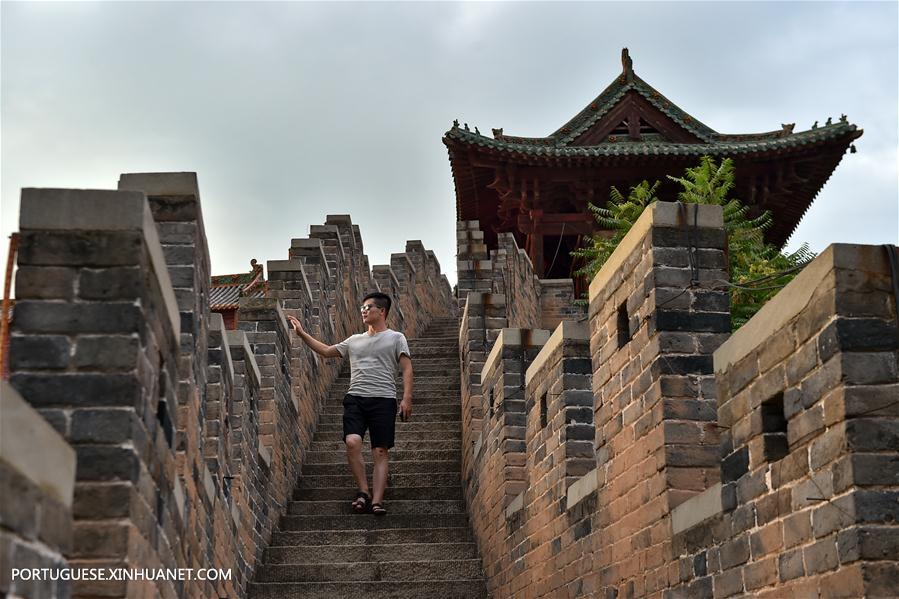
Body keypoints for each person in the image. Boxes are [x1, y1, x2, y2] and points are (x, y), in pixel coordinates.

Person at [286, 292, 412, 516]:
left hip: (384, 400)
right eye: (362, 307)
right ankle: (363, 491)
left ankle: (377, 501)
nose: (364, 310)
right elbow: (326, 351)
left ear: (382, 311)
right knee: (352, 442)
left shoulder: (396, 338)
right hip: (356, 399)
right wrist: (302, 333)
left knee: (380, 451)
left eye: (369, 307)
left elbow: (406, 368)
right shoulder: (354, 340)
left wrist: (406, 398)